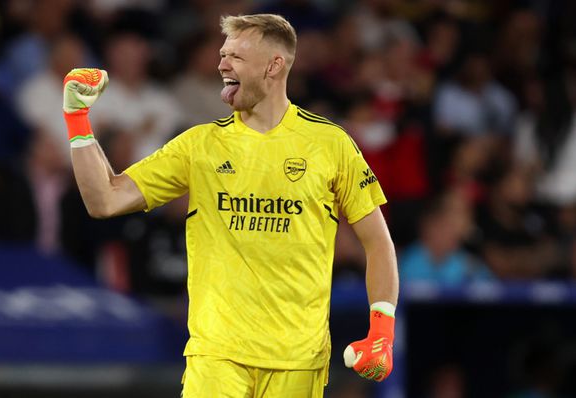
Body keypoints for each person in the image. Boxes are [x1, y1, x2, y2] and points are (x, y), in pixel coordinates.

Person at [61, 14, 399, 396]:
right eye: (223, 54)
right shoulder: (199, 145)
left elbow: (377, 242)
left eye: (236, 56)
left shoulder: (330, 145)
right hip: (216, 357)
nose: (222, 64)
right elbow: (104, 199)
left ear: (274, 65)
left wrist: (382, 329)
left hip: (298, 360)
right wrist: (77, 120)